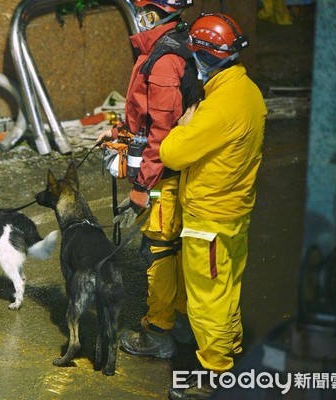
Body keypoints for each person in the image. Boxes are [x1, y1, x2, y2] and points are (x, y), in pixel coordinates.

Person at [160, 13, 267, 400]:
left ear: (206, 56)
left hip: (209, 219)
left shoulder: (219, 107)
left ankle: (216, 377)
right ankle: (230, 351)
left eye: (196, 55)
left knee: (207, 301)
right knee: (226, 291)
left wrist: (186, 124)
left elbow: (172, 153)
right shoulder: (247, 91)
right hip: (235, 213)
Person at [98, 0, 201, 359]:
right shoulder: (171, 45)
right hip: (168, 172)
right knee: (175, 249)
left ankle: (159, 333)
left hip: (162, 178)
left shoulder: (163, 61)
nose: (138, 13)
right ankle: (185, 324)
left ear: (155, 13)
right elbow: (149, 118)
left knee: (159, 252)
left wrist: (142, 187)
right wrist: (122, 132)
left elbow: (162, 133)